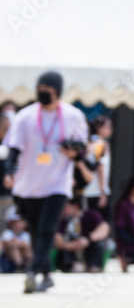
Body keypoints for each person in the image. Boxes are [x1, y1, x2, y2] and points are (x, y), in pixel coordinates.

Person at [4, 71, 89, 293]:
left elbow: (82, 150)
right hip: (28, 184)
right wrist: (9, 172)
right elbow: (13, 149)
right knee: (34, 229)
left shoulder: (73, 116)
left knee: (47, 228)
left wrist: (73, 151)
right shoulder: (25, 116)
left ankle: (32, 272)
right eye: (40, 89)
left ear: (58, 92)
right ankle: (47, 274)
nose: (42, 93)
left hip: (58, 183)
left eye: (47, 90)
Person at [53, 197, 110, 273]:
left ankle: (94, 265)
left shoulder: (91, 214)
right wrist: (69, 245)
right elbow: (57, 237)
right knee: (63, 247)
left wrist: (88, 239)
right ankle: (73, 264)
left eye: (66, 206)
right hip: (70, 247)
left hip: (88, 244)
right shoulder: (63, 219)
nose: (63, 209)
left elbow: (104, 228)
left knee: (100, 243)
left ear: (75, 206)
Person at [83, 115, 113, 220]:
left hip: (87, 189)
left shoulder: (89, 143)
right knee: (103, 223)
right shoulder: (101, 144)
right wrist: (102, 192)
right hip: (96, 191)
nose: (111, 130)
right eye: (108, 126)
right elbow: (100, 167)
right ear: (99, 128)